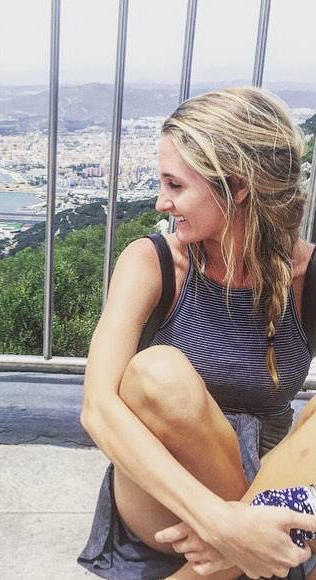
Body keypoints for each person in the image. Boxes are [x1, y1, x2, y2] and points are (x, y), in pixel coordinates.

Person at [78, 86, 316, 579]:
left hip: (271, 484)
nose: (161, 202)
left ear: (238, 187)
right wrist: (223, 524)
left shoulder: (307, 277)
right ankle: (262, 550)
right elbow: (97, 407)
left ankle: (246, 553)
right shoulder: (153, 262)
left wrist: (244, 520)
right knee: (156, 373)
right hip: (170, 494)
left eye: (175, 185)